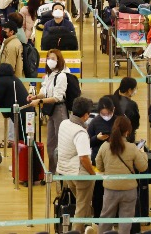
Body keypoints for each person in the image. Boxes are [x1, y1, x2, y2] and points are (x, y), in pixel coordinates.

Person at [96, 116, 149, 234]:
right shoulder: (132, 148)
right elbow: (143, 167)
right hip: (129, 190)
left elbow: (99, 166)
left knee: (105, 218)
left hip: (110, 189)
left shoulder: (105, 146)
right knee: (125, 221)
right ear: (127, 131)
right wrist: (143, 154)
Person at [56, 97, 96, 233]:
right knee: (82, 206)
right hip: (79, 174)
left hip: (65, 171)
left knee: (81, 203)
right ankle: (77, 231)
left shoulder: (64, 123)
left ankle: (88, 226)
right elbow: (84, 157)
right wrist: (93, 174)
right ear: (85, 115)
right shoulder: (81, 133)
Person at [26, 49, 70, 173]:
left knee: (61, 142)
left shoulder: (62, 75)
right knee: (51, 143)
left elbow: (57, 97)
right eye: (48, 58)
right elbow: (44, 92)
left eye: (53, 58)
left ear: (59, 60)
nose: (50, 61)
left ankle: (62, 172)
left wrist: (39, 102)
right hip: (51, 110)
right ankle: (52, 172)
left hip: (59, 110)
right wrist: (35, 97)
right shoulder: (48, 75)